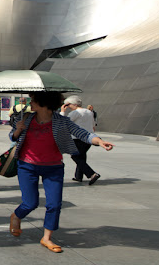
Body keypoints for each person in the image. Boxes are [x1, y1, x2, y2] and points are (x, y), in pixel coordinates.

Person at [9, 91, 114, 253]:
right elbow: (13, 137)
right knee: (31, 203)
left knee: (54, 204)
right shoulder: (26, 118)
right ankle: (16, 216)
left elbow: (82, 133)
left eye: (34, 100)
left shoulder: (62, 121)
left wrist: (99, 141)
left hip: (53, 167)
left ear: (44, 103)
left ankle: (47, 238)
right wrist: (17, 130)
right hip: (27, 166)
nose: (30, 103)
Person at [61, 96, 100, 184]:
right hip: (88, 138)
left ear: (74, 104)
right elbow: (93, 124)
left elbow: (63, 123)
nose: (67, 107)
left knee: (75, 156)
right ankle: (78, 176)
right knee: (82, 156)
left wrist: (62, 112)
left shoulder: (75, 113)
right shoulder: (89, 112)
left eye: (68, 104)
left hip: (77, 138)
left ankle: (92, 174)